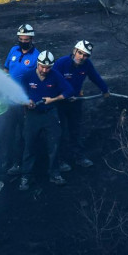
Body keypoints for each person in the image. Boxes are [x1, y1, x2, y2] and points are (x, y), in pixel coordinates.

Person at [18, 51, 74, 191]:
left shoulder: (55, 75)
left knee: (54, 144)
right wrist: (26, 101)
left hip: (50, 114)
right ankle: (26, 175)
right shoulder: (28, 76)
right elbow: (19, 94)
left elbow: (69, 90)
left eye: (48, 67)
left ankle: (54, 174)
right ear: (37, 64)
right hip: (32, 115)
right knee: (29, 145)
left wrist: (53, 99)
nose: (44, 70)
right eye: (42, 66)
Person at [54, 40, 110, 171]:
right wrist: (62, 95)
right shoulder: (61, 63)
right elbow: (52, 81)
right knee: (60, 131)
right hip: (59, 103)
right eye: (80, 53)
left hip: (75, 102)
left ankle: (79, 157)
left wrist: (105, 89)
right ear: (74, 51)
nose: (82, 57)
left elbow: (95, 77)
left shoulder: (87, 65)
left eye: (85, 55)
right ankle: (60, 160)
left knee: (76, 130)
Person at [3, 24, 39, 175]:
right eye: (21, 39)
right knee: (9, 132)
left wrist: (30, 100)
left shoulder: (36, 56)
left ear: (31, 39)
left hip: (24, 103)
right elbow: (6, 68)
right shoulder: (13, 50)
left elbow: (38, 80)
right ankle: (11, 161)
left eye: (26, 39)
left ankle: (24, 165)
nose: (23, 42)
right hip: (10, 100)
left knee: (23, 135)